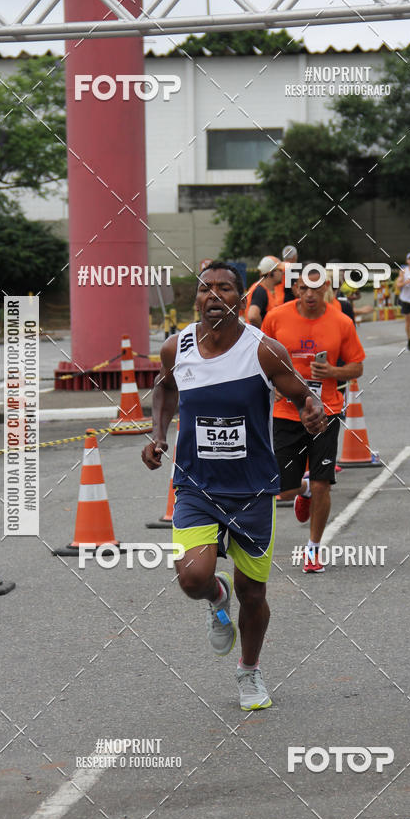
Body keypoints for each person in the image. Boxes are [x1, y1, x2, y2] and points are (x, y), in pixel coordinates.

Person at [141, 261, 326, 710]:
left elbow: (302, 392)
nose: (214, 295)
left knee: (255, 593)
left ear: (241, 299)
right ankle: (215, 596)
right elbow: (164, 390)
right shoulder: (176, 347)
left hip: (252, 491)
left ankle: (249, 671)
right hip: (196, 486)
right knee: (193, 578)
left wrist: (312, 407)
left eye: (225, 288)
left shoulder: (263, 350)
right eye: (206, 288)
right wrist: (158, 433)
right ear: (197, 299)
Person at [262, 265, 366, 573]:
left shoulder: (341, 321)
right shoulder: (276, 318)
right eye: (304, 288)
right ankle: (301, 491)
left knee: (323, 483)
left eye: (316, 288)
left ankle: (313, 548)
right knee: (286, 488)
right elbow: (258, 357)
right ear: (296, 289)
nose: (310, 294)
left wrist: (334, 372)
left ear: (327, 289)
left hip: (327, 411)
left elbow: (357, 366)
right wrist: (273, 385)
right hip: (287, 412)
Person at [244, 256, 283, 327]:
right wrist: (263, 332)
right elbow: (253, 315)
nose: (282, 273)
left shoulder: (262, 289)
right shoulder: (260, 291)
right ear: (270, 273)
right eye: (279, 270)